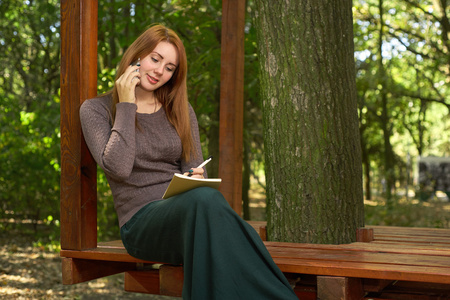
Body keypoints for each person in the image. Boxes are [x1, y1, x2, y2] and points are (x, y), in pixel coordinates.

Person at [80, 24, 297, 300]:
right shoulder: (96, 109)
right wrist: (126, 104)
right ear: (137, 55)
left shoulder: (179, 109)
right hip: (141, 225)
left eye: (169, 67)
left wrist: (195, 178)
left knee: (210, 202)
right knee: (210, 205)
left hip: (189, 215)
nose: (160, 71)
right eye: (155, 59)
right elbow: (119, 169)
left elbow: (195, 166)